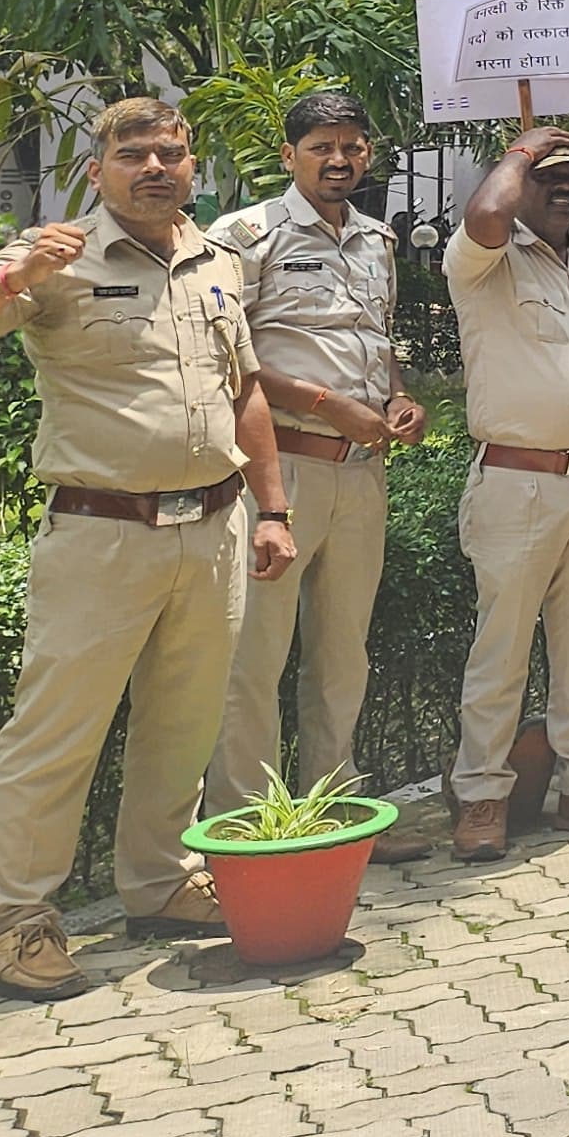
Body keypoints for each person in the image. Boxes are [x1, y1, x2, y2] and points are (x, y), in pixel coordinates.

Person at [0, 97, 299, 1000]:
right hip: (101, 533)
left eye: (171, 152)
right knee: (57, 733)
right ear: (97, 171)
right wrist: (13, 277)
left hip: (216, 529)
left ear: (194, 165)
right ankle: (13, 926)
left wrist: (271, 507)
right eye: (133, 155)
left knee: (185, 724)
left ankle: (158, 886)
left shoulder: (217, 262)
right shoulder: (55, 258)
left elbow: (247, 394)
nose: (155, 167)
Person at [205, 90, 427, 856]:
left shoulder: (375, 240)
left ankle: (335, 811)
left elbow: (379, 340)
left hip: (361, 471)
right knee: (255, 657)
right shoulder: (244, 237)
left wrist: (399, 400)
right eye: (322, 147)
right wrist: (329, 404)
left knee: (343, 651)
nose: (339, 160)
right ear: (289, 156)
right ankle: (245, 829)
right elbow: (224, 362)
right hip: (280, 472)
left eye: (353, 146)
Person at [444, 124, 569, 859]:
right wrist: (522, 149)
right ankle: (482, 795)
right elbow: (488, 216)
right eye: (545, 177)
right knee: (501, 651)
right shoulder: (483, 259)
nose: (564, 188)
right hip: (519, 482)